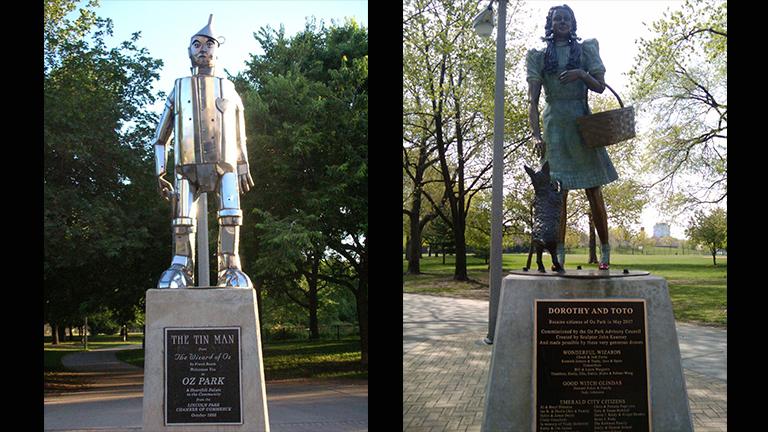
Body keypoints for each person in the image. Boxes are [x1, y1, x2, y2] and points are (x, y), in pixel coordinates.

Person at [153, 15, 255, 288]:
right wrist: (160, 171)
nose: (203, 49)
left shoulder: (229, 88)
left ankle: (229, 266)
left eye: (209, 44)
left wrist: (243, 162)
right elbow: (160, 136)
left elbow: (238, 129)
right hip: (186, 166)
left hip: (226, 164)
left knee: (232, 214)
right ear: (189, 51)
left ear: (217, 51)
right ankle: (181, 266)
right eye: (196, 44)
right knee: (183, 218)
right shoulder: (178, 87)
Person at [526, 4, 617, 270]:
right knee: (558, 194)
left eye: (566, 18)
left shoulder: (585, 49)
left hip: (582, 123)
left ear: (573, 23)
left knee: (594, 190)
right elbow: (532, 100)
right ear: (551, 24)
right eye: (557, 19)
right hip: (555, 126)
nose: (562, 22)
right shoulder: (539, 56)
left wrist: (581, 74)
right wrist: (535, 134)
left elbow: (600, 87)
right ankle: (559, 253)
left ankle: (606, 252)